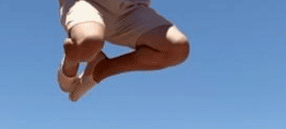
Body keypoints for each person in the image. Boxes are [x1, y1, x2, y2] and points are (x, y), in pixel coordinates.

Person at [57, 0, 189, 102]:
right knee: (87, 42)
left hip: (131, 9)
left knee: (176, 48)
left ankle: (100, 69)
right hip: (87, 4)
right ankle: (71, 60)